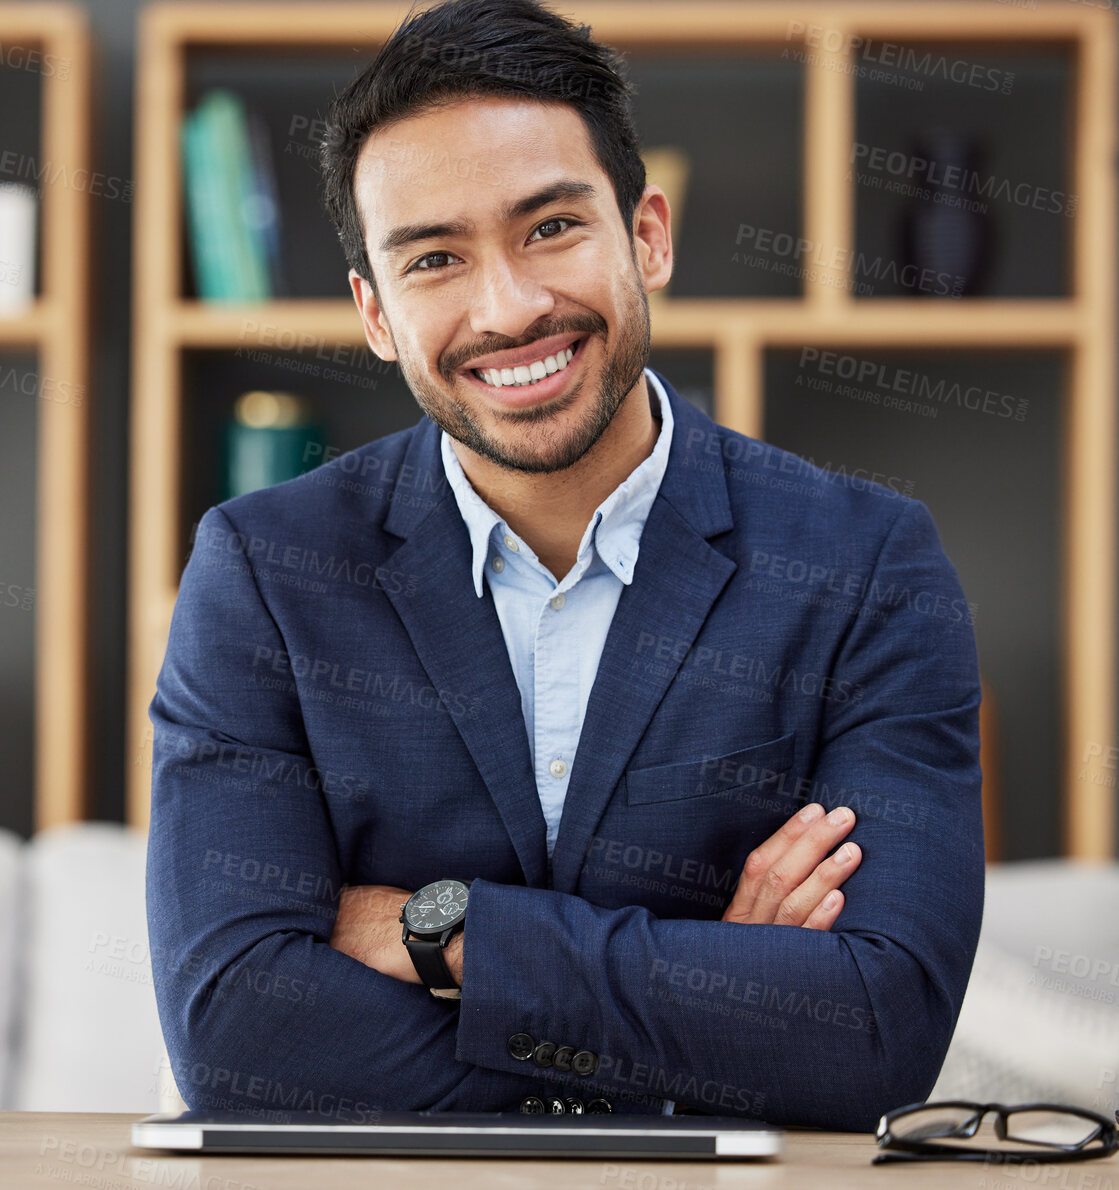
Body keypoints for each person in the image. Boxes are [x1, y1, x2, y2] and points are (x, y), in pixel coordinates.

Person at [146, 0, 981, 1131]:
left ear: (646, 234)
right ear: (375, 315)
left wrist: (442, 934)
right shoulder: (263, 572)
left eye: (548, 228)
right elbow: (238, 1033)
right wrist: (713, 999)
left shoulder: (864, 566)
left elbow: (876, 1035)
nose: (507, 306)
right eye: (433, 257)